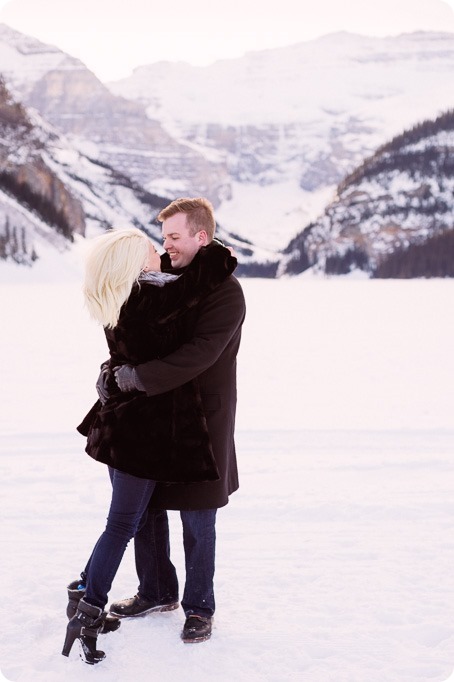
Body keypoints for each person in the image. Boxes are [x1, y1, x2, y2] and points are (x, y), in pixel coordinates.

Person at [63, 225, 237, 664]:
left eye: (172, 237)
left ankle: (190, 606)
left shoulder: (131, 294)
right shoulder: (154, 297)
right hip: (144, 428)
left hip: (156, 423)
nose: (162, 247)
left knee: (183, 518)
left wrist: (116, 372)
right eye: (155, 243)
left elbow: (196, 346)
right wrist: (216, 258)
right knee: (130, 520)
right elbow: (179, 310)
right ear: (135, 264)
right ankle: (120, 595)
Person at [106, 197, 246, 644]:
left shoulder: (225, 291)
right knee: (145, 506)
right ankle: (155, 589)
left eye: (174, 237)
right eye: (163, 237)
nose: (166, 246)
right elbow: (138, 337)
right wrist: (112, 370)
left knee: (197, 516)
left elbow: (199, 355)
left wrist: (135, 379)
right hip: (156, 410)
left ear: (201, 237)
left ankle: (199, 607)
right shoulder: (165, 279)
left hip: (203, 419)